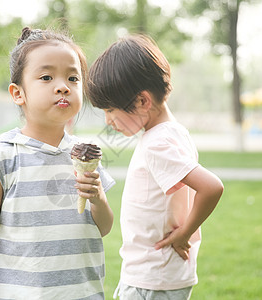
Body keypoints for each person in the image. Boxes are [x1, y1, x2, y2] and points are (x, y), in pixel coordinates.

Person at [0, 27, 115, 300]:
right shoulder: (2, 158)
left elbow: (104, 227)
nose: (63, 86)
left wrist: (98, 198)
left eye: (73, 77)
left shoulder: (86, 156)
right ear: (18, 93)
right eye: (46, 77)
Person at [87, 34, 224, 300]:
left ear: (142, 101)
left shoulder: (157, 143)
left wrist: (184, 233)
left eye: (111, 110)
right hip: (161, 275)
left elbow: (211, 187)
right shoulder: (174, 133)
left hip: (152, 276)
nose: (108, 121)